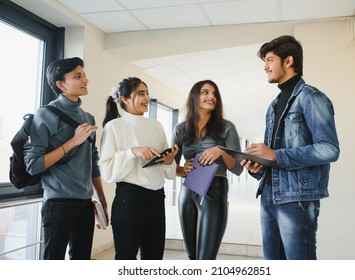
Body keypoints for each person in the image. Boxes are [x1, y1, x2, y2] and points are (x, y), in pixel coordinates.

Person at [241, 35, 340, 260]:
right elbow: (273, 156)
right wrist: (259, 166)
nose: (265, 67)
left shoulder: (312, 98)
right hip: (269, 196)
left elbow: (329, 148)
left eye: (269, 60)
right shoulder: (273, 105)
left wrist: (276, 154)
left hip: (296, 199)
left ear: (288, 61)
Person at [24, 57, 108, 260]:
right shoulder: (45, 114)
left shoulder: (88, 118)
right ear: (60, 85)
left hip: (86, 202)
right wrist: (73, 141)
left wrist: (102, 201)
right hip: (58, 203)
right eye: (77, 76)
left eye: (84, 75)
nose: (85, 80)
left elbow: (92, 162)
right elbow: (33, 165)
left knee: (81, 259)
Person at [99, 77, 178, 260]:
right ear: (125, 99)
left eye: (147, 93)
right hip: (130, 200)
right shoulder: (114, 127)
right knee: (126, 258)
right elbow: (107, 171)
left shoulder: (156, 126)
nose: (147, 98)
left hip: (157, 199)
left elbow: (169, 173)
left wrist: (168, 160)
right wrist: (131, 151)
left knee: (154, 257)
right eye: (140, 94)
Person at [172, 79, 243, 260]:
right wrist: (182, 169)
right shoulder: (180, 129)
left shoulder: (227, 127)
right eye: (205, 92)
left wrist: (221, 150)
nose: (211, 96)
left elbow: (238, 169)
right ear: (195, 97)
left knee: (206, 258)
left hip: (215, 189)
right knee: (192, 256)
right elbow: (171, 167)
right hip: (188, 191)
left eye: (214, 94)